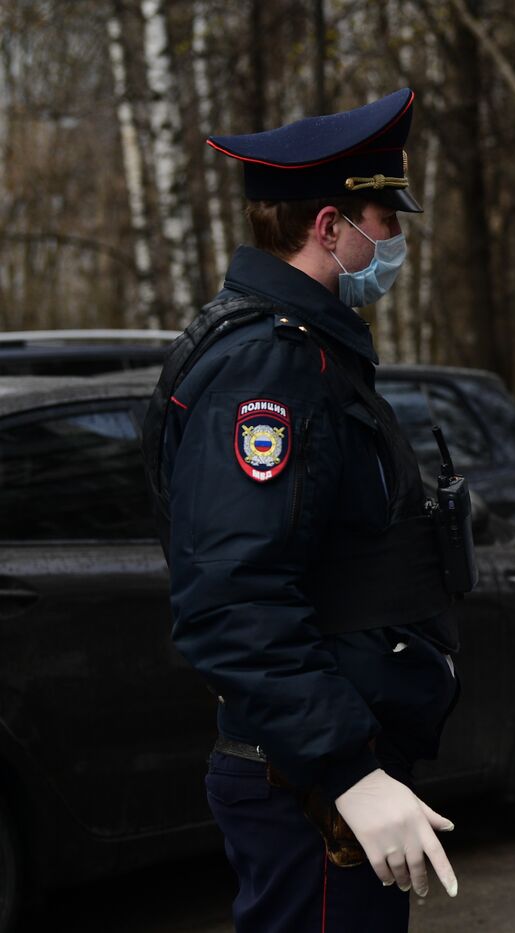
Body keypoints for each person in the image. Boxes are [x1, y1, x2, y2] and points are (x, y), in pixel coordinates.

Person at [141, 89, 469, 932]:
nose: (394, 240)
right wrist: (347, 772)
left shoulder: (308, 350)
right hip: (309, 789)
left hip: (321, 770)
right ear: (331, 229)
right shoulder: (267, 369)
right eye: (383, 220)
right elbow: (231, 601)